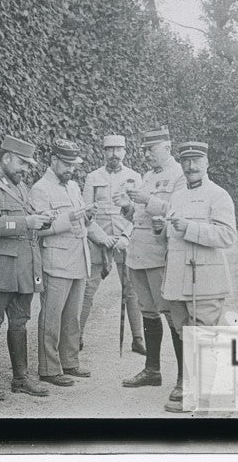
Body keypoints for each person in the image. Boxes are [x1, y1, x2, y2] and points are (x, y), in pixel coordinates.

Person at [147, 140, 237, 413]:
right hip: (177, 279)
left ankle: (201, 399)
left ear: (207, 163)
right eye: (186, 161)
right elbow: (170, 236)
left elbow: (227, 236)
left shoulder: (218, 195)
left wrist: (189, 227)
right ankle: (190, 389)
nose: (190, 166)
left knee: (203, 339)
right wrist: (160, 229)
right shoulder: (176, 196)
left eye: (196, 160)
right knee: (185, 336)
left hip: (205, 280)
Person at [0, 134, 52, 400]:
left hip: (23, 268)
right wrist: (27, 222)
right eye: (21, 163)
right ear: (5, 158)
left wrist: (42, 219)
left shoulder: (21, 188)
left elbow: (27, 219)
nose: (25, 169)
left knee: (19, 322)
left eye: (27, 164)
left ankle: (21, 379)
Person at [121, 127, 185, 400]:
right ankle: (152, 369)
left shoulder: (180, 176)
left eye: (151, 149)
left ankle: (183, 378)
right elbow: (138, 216)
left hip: (162, 255)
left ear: (167, 147)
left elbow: (178, 212)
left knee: (173, 315)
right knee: (147, 312)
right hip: (138, 254)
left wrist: (148, 200)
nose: (146, 154)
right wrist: (127, 207)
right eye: (144, 150)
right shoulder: (147, 176)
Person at [29, 139, 99, 387]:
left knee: (72, 317)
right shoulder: (40, 189)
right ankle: (48, 368)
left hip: (79, 259)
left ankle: (69, 362)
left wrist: (87, 217)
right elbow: (39, 229)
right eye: (67, 164)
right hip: (56, 261)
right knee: (51, 317)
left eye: (73, 165)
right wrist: (69, 218)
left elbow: (80, 221)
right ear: (53, 161)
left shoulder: (73, 186)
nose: (71, 169)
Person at [80, 134, 145, 356]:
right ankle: (76, 337)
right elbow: (86, 214)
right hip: (99, 240)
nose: (114, 154)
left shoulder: (134, 177)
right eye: (110, 150)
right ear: (104, 152)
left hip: (125, 241)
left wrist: (126, 235)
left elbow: (139, 213)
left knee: (131, 290)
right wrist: (100, 237)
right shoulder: (93, 177)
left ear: (125, 151)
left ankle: (138, 338)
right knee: (88, 289)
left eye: (118, 149)